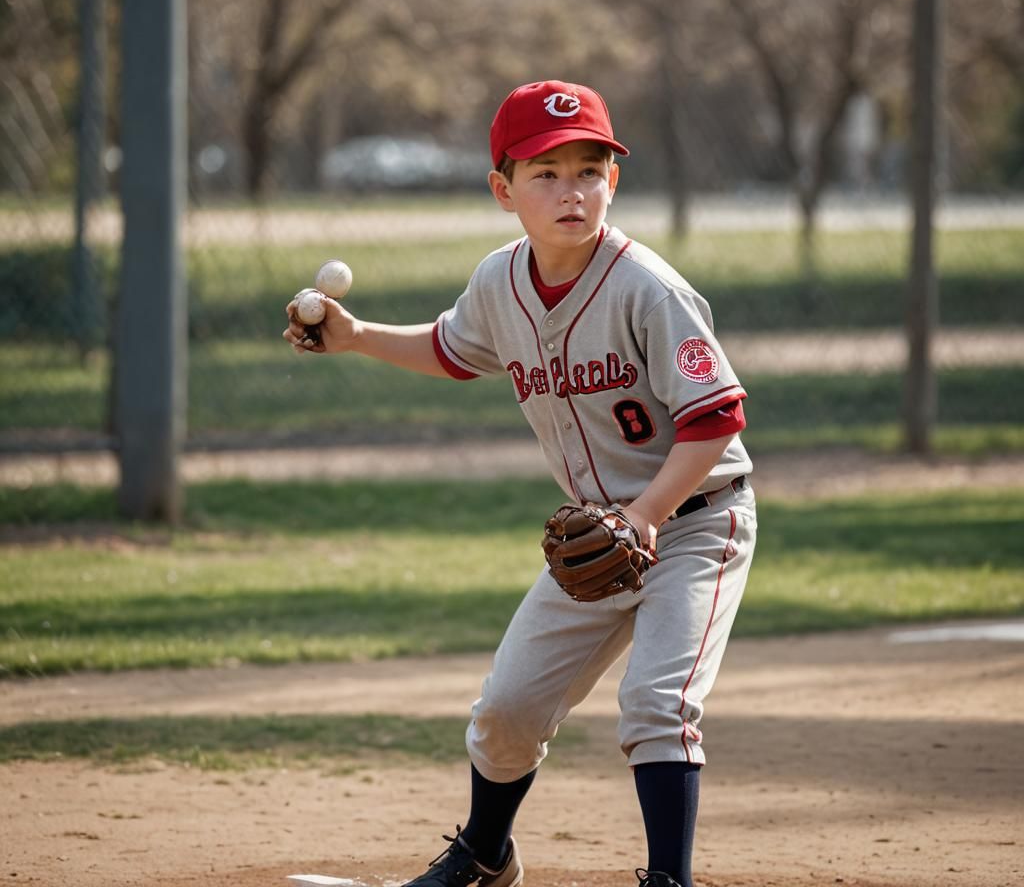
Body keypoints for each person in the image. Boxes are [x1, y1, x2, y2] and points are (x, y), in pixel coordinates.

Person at [283, 80, 757, 887]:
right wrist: (356, 336)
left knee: (656, 703)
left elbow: (716, 421)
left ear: (615, 181)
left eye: (590, 169)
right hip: (595, 536)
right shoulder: (501, 282)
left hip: (693, 522)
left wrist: (647, 514)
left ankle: (667, 881)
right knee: (506, 714)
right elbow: (450, 349)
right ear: (503, 190)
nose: (571, 190)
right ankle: (485, 854)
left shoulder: (648, 288)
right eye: (545, 172)